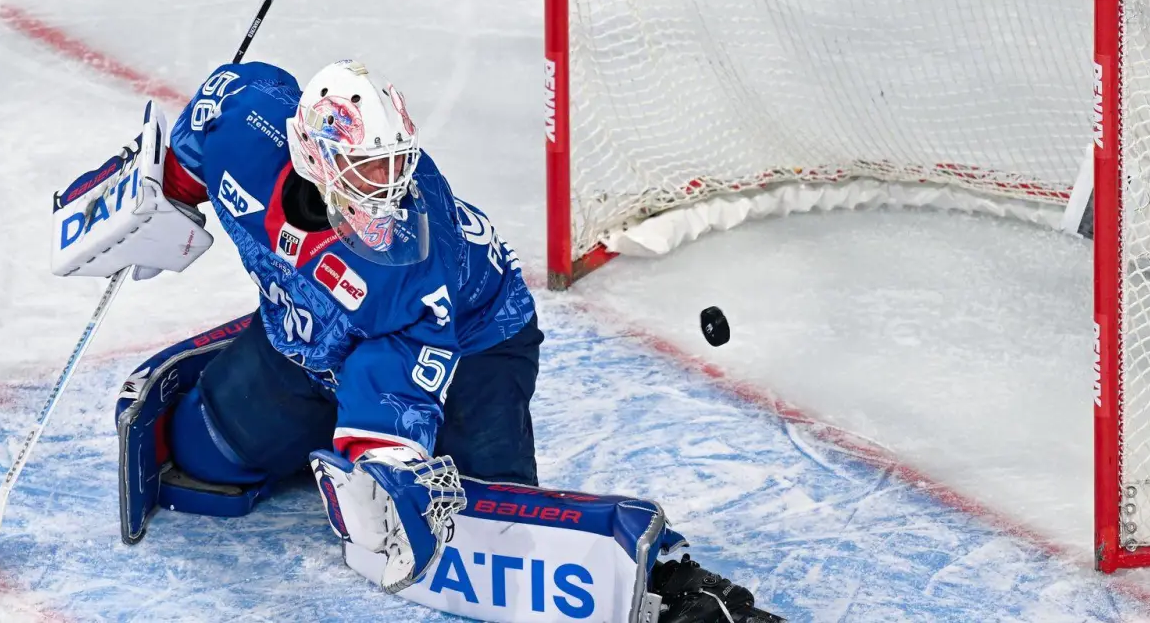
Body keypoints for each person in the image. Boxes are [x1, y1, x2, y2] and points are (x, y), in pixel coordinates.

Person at [54, 58, 779, 622]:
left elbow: (395, 380)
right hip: (302, 339)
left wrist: (383, 459)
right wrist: (158, 196)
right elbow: (199, 142)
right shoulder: (242, 126)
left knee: (487, 528)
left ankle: (662, 585)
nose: (389, 185)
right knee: (202, 462)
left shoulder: (410, 263)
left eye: (395, 163)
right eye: (367, 169)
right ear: (312, 158)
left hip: (470, 342)